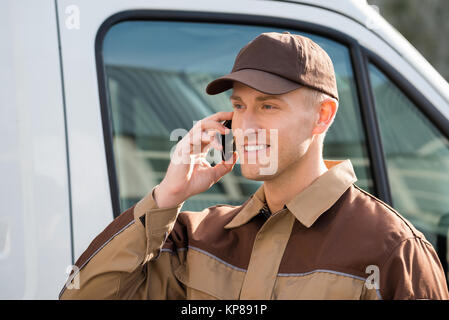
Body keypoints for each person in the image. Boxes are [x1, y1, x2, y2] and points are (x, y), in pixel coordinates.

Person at [59, 31, 449, 300]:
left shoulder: (392, 251)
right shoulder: (198, 239)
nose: (245, 126)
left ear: (322, 117)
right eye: (239, 106)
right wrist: (166, 196)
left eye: (268, 105)